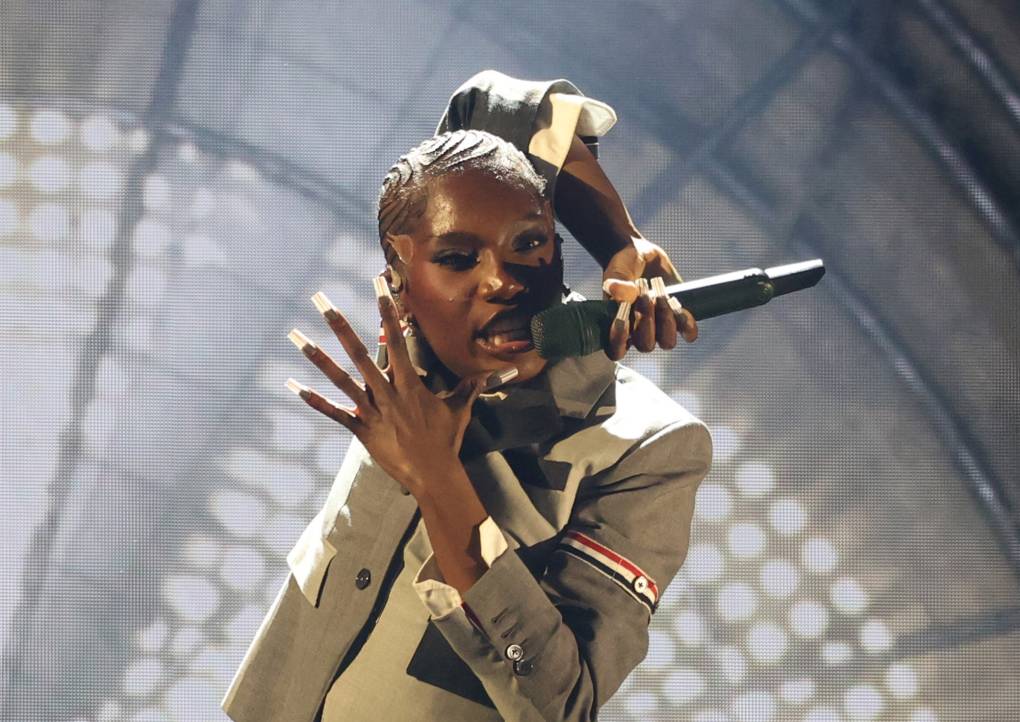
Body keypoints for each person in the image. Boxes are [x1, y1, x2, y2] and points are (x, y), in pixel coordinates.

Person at [222, 74, 712, 722]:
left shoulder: (649, 446)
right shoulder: (412, 354)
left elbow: (563, 702)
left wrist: (441, 484)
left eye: (529, 244)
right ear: (398, 283)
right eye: (455, 257)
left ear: (557, 249)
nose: (501, 282)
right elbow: (486, 104)